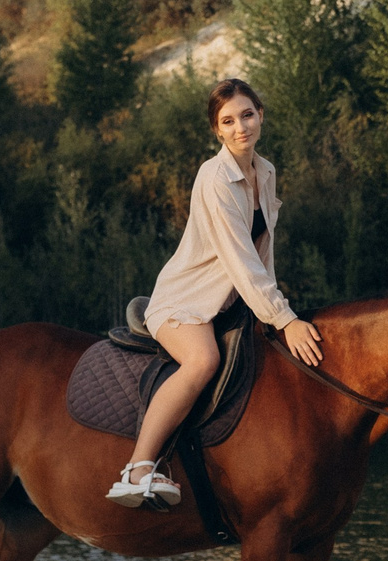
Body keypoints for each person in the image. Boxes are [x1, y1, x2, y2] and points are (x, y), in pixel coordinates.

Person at [106, 77, 323, 508]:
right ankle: (138, 468)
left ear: (261, 115)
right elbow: (239, 259)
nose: (241, 127)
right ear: (217, 130)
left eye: (247, 115)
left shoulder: (265, 171)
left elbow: (263, 254)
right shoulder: (214, 177)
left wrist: (272, 311)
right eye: (228, 121)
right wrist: (285, 317)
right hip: (186, 301)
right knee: (203, 360)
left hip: (234, 300)